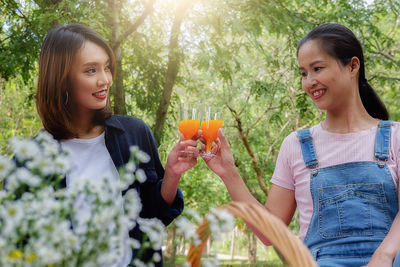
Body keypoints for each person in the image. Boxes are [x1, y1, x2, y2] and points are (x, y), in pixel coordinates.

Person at [202, 23, 400, 267]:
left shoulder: (395, 137)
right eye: (304, 73)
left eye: (317, 68)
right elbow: (269, 232)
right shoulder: (296, 145)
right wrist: (228, 172)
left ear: (353, 66)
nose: (309, 82)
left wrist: (384, 255)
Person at [35, 23, 199, 266]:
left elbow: (154, 216)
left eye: (107, 68)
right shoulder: (35, 155)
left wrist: (172, 175)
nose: (105, 80)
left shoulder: (134, 133)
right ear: (61, 79)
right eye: (91, 70)